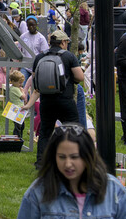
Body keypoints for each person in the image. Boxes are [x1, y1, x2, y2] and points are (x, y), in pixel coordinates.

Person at [16, 125, 126, 219]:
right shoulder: (37, 193)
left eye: (74, 157)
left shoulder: (114, 191)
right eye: (62, 157)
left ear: (87, 157)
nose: (68, 164)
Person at [23, 31, 84, 168]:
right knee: (74, 130)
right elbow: (80, 77)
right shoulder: (69, 56)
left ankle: (41, 163)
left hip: (46, 102)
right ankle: (76, 159)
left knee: (45, 132)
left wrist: (29, 104)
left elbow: (36, 82)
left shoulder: (39, 57)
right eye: (66, 42)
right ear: (63, 42)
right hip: (65, 100)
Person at [8, 70, 26, 139]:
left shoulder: (15, 88)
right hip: (17, 109)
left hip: (19, 109)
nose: (20, 84)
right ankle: (17, 138)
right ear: (12, 81)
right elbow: (23, 97)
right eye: (19, 83)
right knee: (18, 126)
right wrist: (22, 91)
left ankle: (19, 137)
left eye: (21, 83)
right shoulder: (15, 89)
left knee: (21, 125)